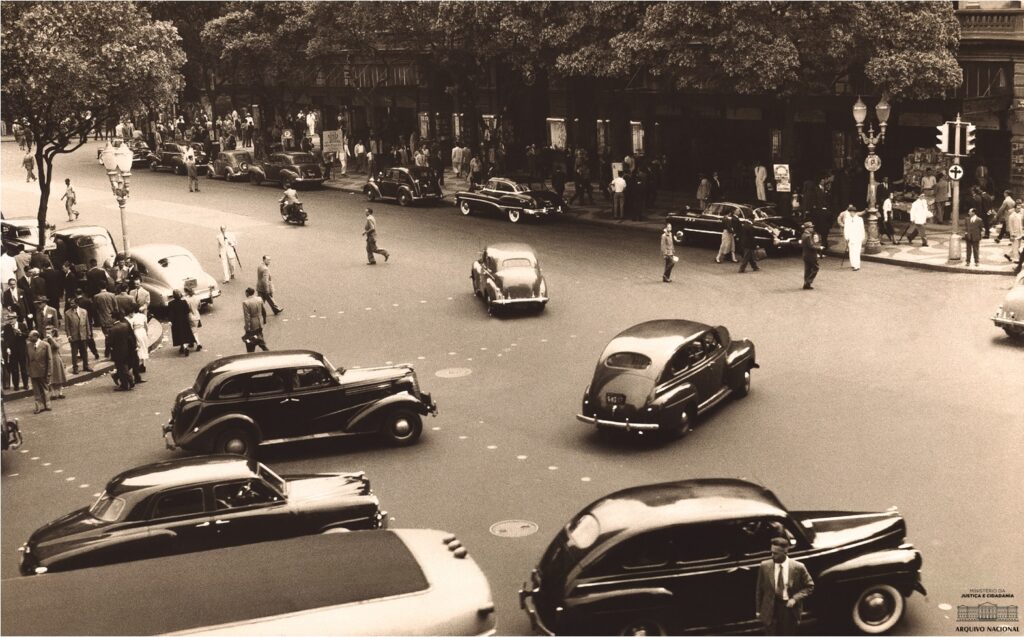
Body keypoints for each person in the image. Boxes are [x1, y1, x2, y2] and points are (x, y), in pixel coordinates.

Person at [755, 537, 814, 636]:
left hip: (788, 609)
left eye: (776, 553)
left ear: (785, 551)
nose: (772, 555)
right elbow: (759, 590)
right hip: (770, 609)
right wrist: (758, 610)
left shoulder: (798, 567)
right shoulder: (765, 566)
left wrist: (794, 599)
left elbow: (809, 586)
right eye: (772, 552)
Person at [107, 311, 136, 390]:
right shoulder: (125, 325)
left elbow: (110, 342)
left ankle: (125, 384)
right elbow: (131, 337)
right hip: (127, 350)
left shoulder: (112, 329)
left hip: (117, 351)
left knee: (121, 368)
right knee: (125, 366)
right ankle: (130, 381)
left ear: (114, 318)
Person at [64, 298, 92, 374]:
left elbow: (87, 324)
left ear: (77, 304)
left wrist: (88, 334)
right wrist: (69, 336)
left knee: (84, 352)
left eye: (72, 303)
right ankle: (75, 368)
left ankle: (86, 366)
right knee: (74, 353)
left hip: (83, 335)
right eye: (70, 304)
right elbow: (67, 326)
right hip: (74, 336)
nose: (71, 305)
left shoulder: (84, 311)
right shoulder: (67, 313)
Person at [26, 330, 52, 412]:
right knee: (36, 390)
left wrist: (49, 372)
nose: (29, 338)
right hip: (33, 371)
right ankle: (39, 407)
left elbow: (49, 360)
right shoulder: (28, 345)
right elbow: (27, 359)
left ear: (36, 336)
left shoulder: (45, 345)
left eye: (30, 337)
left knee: (45, 388)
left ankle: (47, 404)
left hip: (43, 371)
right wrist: (27, 370)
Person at [167, 289, 197, 355]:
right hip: (184, 320)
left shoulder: (171, 303)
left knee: (179, 334)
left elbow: (170, 313)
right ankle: (186, 347)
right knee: (185, 334)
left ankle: (182, 347)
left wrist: (170, 321)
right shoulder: (184, 302)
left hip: (176, 321)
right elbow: (187, 311)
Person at [242, 287, 269, 352]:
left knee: (250, 341)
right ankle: (264, 348)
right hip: (259, 322)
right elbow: (263, 310)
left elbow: (247, 317)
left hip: (252, 324)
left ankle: (251, 353)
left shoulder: (246, 302)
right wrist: (264, 319)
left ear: (247, 293)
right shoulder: (259, 299)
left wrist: (247, 328)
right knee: (259, 335)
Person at [44, 327, 67, 400]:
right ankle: (53, 393)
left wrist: (51, 339)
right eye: (46, 332)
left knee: (59, 375)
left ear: (53, 333)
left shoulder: (58, 339)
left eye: (49, 332)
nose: (47, 334)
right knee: (50, 376)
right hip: (48, 360)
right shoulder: (45, 340)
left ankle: (60, 393)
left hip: (56, 358)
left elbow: (57, 346)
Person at [841, 205, 865, 271]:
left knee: (857, 251)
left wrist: (862, 237)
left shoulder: (859, 219)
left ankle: (857, 266)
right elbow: (846, 229)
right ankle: (853, 264)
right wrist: (846, 237)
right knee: (851, 251)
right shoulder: (847, 220)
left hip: (857, 237)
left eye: (852, 212)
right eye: (850, 212)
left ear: (855, 212)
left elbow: (862, 229)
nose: (851, 213)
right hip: (850, 238)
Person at [128, 303, 149, 377]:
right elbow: (146, 326)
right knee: (144, 347)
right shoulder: (143, 316)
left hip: (136, 332)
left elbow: (131, 327)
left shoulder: (132, 318)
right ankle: (144, 364)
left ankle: (139, 364)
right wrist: (146, 333)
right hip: (143, 331)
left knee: (139, 348)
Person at [801, 221, 821, 290]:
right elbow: (811, 246)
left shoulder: (803, 235)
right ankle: (808, 282)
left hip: (805, 254)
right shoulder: (808, 236)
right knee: (816, 268)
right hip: (811, 255)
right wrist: (819, 247)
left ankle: (806, 284)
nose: (812, 228)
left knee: (807, 270)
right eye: (811, 227)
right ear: (807, 228)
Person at [184, 287, 203, 352]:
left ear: (187, 292)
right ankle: (192, 343)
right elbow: (199, 306)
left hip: (190, 317)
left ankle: (198, 344)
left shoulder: (186, 299)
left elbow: (186, 309)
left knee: (192, 332)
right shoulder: (197, 298)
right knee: (194, 331)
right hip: (197, 316)